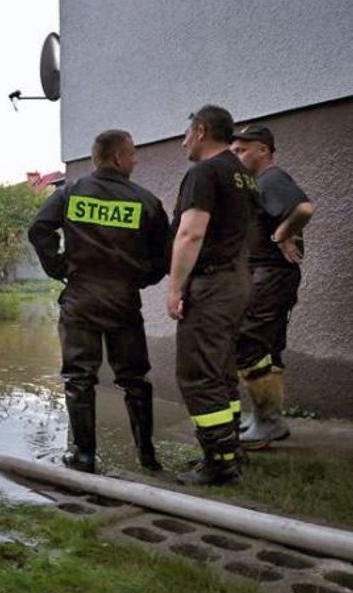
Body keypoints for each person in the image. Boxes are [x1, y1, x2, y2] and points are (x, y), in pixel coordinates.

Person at [29, 129, 169, 474]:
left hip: (80, 297)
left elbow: (38, 230)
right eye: (133, 154)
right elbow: (164, 254)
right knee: (135, 378)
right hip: (123, 300)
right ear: (119, 158)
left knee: (79, 377)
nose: (136, 160)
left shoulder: (71, 193)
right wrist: (141, 278)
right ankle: (147, 457)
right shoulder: (146, 201)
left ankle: (84, 457)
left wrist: (58, 267)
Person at [167, 105, 258, 486]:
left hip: (214, 284)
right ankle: (230, 448)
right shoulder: (242, 175)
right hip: (237, 281)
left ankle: (219, 464)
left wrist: (174, 289)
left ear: (202, 131)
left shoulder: (204, 172)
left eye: (187, 133)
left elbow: (191, 233)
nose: (185, 141)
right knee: (221, 370)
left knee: (198, 374)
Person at [230, 124, 314, 449]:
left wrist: (281, 236)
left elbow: (304, 208)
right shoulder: (257, 183)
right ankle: (266, 419)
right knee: (268, 348)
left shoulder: (271, 179)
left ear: (263, 150)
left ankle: (268, 421)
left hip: (270, 276)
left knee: (248, 344)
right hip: (270, 277)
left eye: (241, 150)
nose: (235, 156)